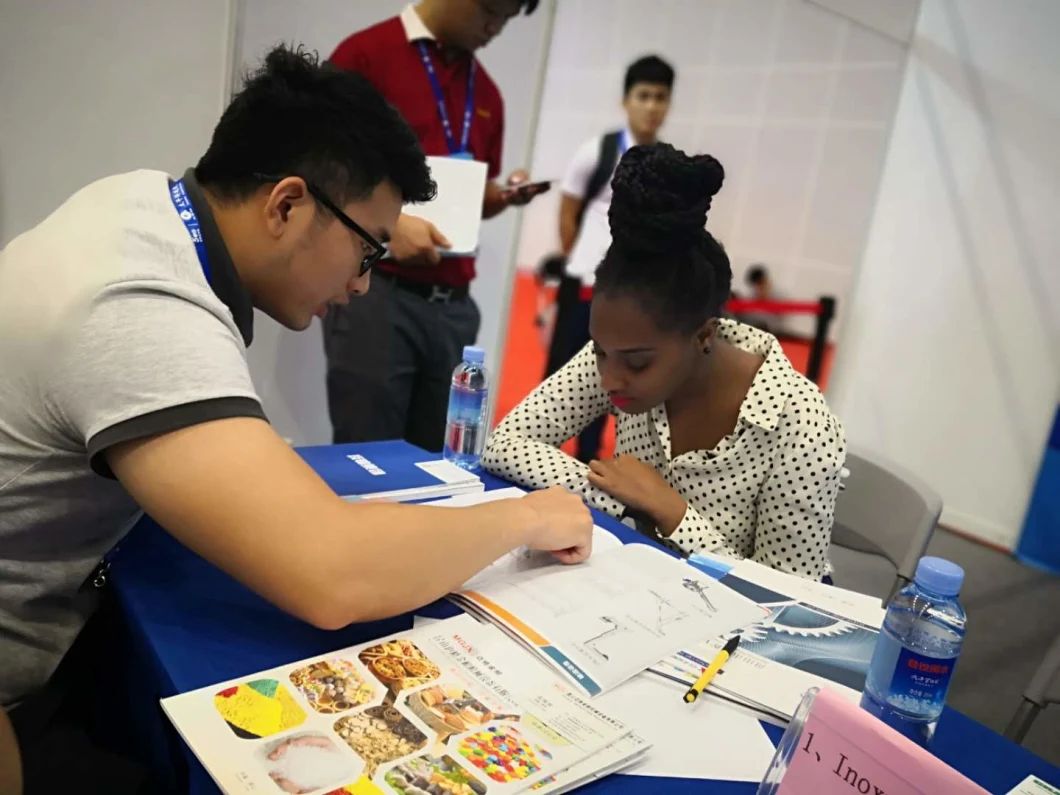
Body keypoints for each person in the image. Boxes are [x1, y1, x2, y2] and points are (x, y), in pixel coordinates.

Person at [0, 45, 591, 777]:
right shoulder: (141, 305)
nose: (362, 285)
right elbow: (331, 573)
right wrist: (527, 518)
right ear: (286, 204)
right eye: (368, 251)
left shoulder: (138, 206)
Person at [483, 144, 846, 581]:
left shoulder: (800, 423)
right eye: (598, 351)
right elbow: (505, 443)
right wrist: (623, 502)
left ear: (703, 336)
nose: (610, 378)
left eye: (637, 364)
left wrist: (671, 511)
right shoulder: (623, 347)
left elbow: (788, 602)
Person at [325, 0, 547, 451]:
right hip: (378, 293)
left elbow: (472, 199)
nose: (496, 28)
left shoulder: (485, 94)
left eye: (507, 19)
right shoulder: (365, 57)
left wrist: (502, 195)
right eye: (492, 11)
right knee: (368, 456)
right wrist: (392, 225)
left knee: (439, 461)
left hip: (453, 308)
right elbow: (324, 169)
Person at [545, 55, 675, 463]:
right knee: (558, 379)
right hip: (583, 285)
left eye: (660, 97)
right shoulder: (596, 152)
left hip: (630, 297)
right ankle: (538, 455)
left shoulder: (667, 162)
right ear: (626, 100)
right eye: (644, 96)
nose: (652, 106)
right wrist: (578, 261)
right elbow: (568, 212)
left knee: (613, 381)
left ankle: (588, 462)